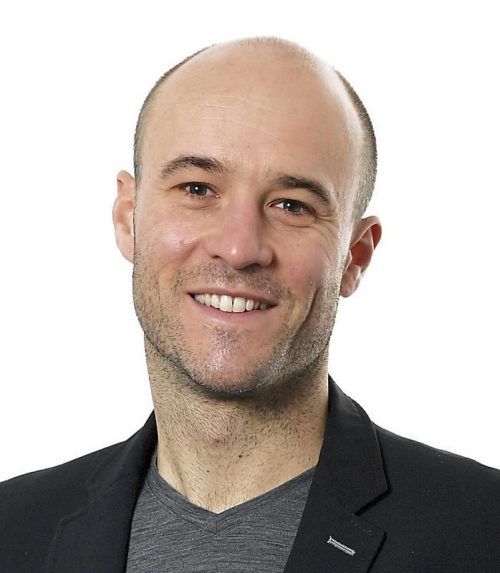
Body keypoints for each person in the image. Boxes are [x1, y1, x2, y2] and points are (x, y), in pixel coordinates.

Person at [1, 35, 499, 573]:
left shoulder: (484, 532)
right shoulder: (11, 529)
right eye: (197, 189)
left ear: (354, 256)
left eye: (292, 205)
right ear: (128, 218)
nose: (239, 249)